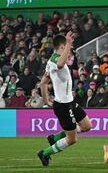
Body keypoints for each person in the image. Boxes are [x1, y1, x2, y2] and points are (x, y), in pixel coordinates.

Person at [37, 32, 92, 166]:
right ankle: (45, 153)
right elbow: (61, 64)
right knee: (72, 139)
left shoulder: (51, 62)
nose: (69, 53)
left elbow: (43, 83)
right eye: (66, 48)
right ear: (62, 47)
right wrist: (69, 43)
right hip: (63, 105)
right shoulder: (56, 60)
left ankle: (54, 138)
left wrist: (46, 100)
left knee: (87, 126)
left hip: (70, 103)